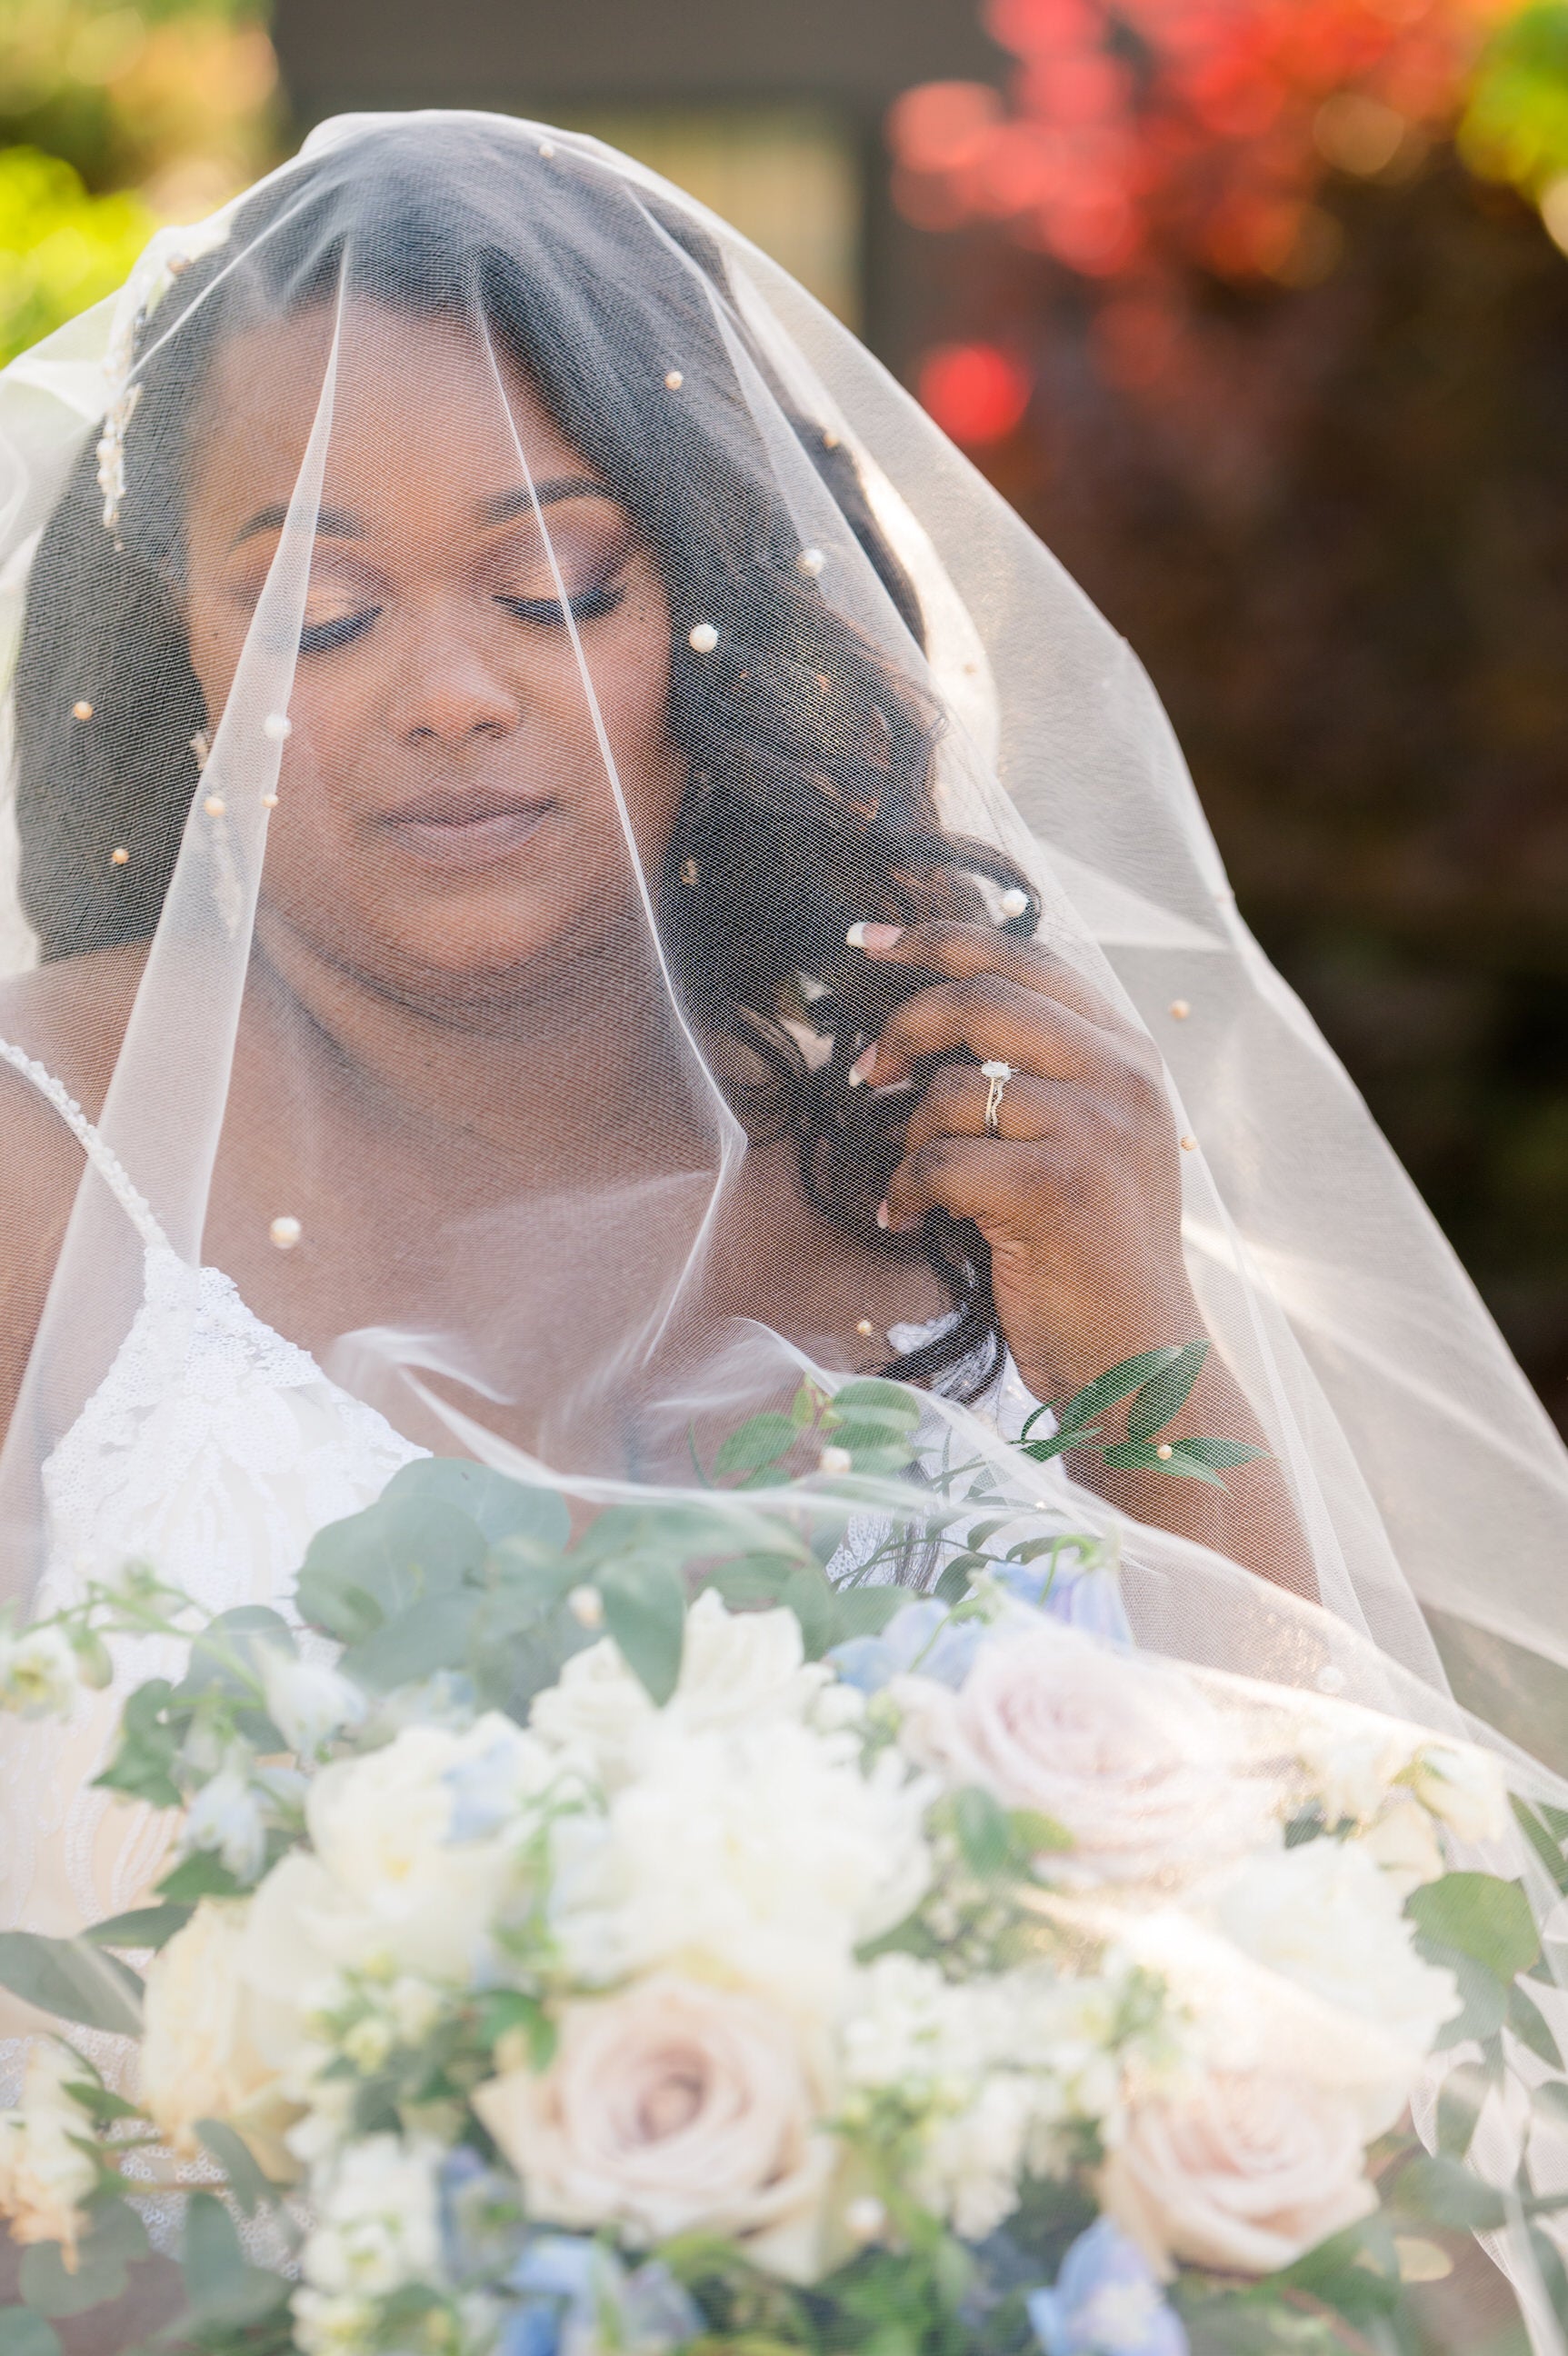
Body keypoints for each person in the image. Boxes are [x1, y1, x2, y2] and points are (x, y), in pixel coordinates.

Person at [0, 116, 1565, 2345]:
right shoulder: (34, 1161)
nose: (448, 688)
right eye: (318, 603)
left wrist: (1133, 1325)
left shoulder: (951, 1141)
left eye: (556, 582)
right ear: (178, 637)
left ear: (711, 599)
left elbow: (1316, 1915)